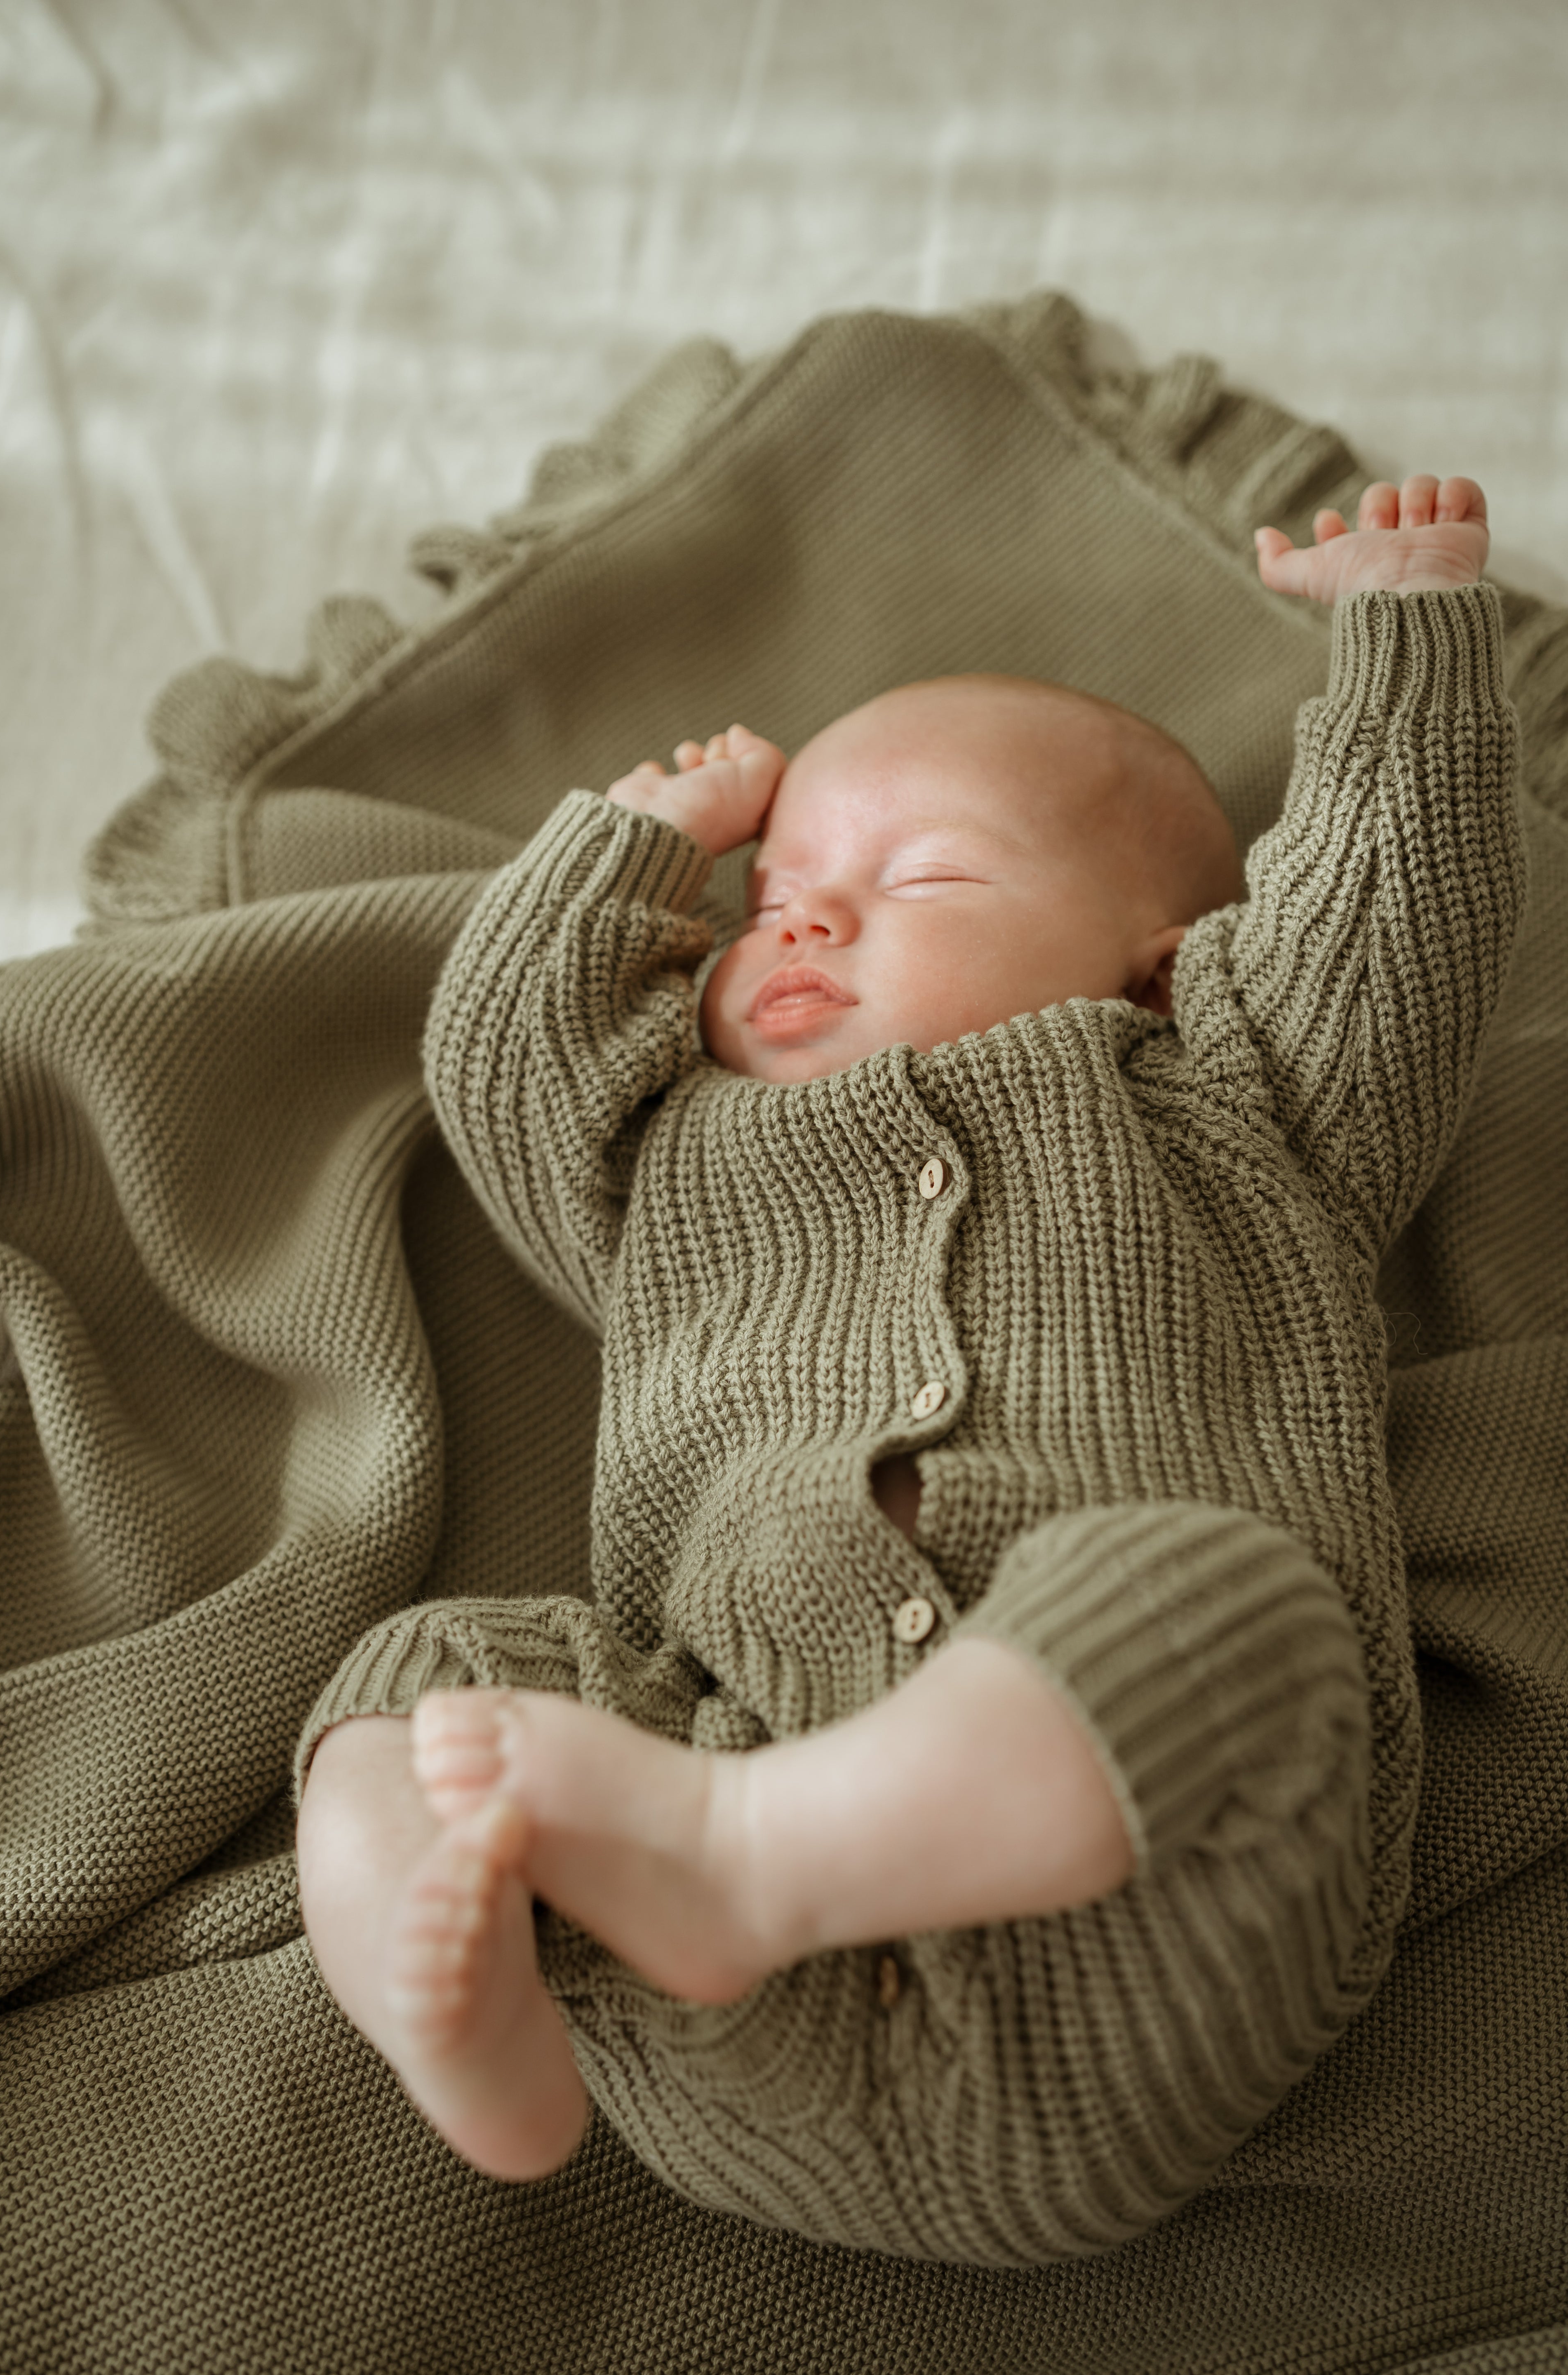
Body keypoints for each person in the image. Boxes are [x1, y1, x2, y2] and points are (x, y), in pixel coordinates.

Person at [294, 476, 1523, 2261]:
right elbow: (507, 1068)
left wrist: (1411, 627)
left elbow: (1395, 926)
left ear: (1167, 972)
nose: (799, 921)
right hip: (733, 2030)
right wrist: (625, 851)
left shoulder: (1230, 1103)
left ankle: (747, 1852)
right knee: (423, 1690)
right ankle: (460, 2012)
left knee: (1214, 1602)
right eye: (772, 895)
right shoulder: (674, 1166)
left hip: (1163, 1911)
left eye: (921, 878)